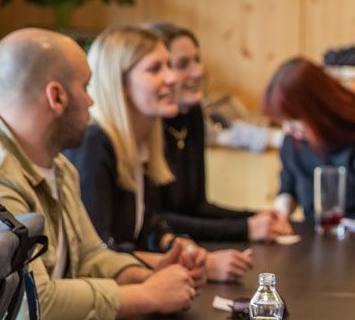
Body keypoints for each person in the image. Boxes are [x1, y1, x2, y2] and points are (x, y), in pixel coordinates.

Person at [0, 28, 197, 320]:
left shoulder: (58, 166)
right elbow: (32, 304)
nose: (91, 100)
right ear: (56, 97)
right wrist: (147, 296)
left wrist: (144, 275)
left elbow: (89, 256)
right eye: (85, 87)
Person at [66, 25, 251, 283]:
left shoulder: (141, 144)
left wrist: (175, 245)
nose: (172, 78)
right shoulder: (94, 144)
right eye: (155, 69)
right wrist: (204, 265)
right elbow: (99, 253)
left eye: (169, 66)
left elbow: (147, 227)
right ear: (120, 82)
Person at [145, 22, 292, 243]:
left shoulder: (193, 114)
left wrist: (257, 217)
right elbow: (155, 220)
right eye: (183, 64)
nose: (198, 71)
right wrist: (245, 228)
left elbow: (197, 206)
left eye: (197, 59)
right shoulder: (147, 127)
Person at [260, 57, 355, 223]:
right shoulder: (293, 142)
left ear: (317, 110)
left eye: (293, 119)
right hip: (314, 237)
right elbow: (288, 186)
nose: (287, 129)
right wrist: (280, 213)